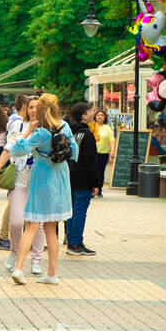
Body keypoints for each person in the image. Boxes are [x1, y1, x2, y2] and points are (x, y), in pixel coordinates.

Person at [7, 93, 76, 285]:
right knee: (51, 228)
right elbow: (74, 152)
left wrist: (27, 131)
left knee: (31, 225)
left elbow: (17, 150)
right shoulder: (65, 127)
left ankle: (19, 268)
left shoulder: (40, 132)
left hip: (41, 177)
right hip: (60, 177)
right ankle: (52, 273)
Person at [0, 95, 46, 273]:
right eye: (31, 107)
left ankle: (36, 260)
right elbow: (10, 149)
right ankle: (14, 252)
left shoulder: (47, 128)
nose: (33, 110)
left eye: (37, 107)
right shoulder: (18, 125)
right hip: (20, 180)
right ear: (26, 108)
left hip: (39, 181)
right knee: (16, 221)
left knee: (36, 223)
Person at [64, 101, 102, 255]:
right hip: (83, 178)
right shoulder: (87, 135)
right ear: (84, 115)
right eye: (92, 110)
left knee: (71, 210)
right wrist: (96, 182)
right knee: (80, 210)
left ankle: (71, 240)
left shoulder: (69, 133)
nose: (94, 113)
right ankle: (76, 243)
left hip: (68, 175)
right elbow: (92, 161)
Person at [92, 108, 113, 197]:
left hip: (103, 153)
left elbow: (111, 140)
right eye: (98, 115)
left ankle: (99, 189)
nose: (99, 117)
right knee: (92, 172)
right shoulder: (92, 126)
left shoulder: (107, 128)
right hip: (92, 153)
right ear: (95, 116)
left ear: (105, 117)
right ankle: (92, 190)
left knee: (100, 172)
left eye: (102, 115)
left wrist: (112, 151)